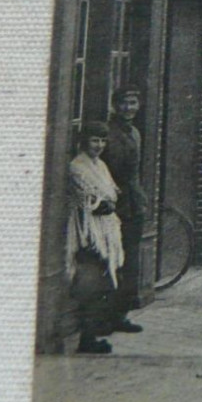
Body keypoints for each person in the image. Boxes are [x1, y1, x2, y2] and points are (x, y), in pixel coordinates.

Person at [67, 122, 124, 354]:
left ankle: (93, 333)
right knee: (90, 280)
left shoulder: (100, 165)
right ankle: (86, 338)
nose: (99, 145)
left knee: (103, 278)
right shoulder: (77, 166)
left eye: (102, 141)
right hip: (87, 228)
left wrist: (107, 201)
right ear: (84, 142)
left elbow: (112, 193)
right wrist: (105, 202)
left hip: (105, 227)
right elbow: (93, 199)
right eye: (94, 140)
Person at [101, 86, 146, 334]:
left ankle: (121, 314)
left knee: (130, 261)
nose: (129, 108)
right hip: (114, 202)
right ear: (115, 106)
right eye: (124, 104)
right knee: (113, 259)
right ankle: (107, 315)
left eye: (133, 103)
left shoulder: (135, 133)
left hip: (133, 203)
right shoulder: (109, 132)